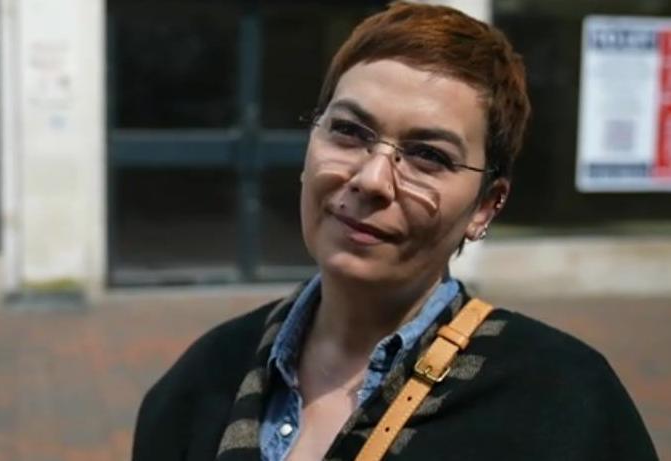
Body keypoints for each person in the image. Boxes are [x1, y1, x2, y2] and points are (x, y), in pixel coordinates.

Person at [133, 2, 659, 460]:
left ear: (486, 207)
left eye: (428, 156)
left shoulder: (563, 404)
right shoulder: (203, 381)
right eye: (348, 131)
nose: (371, 179)